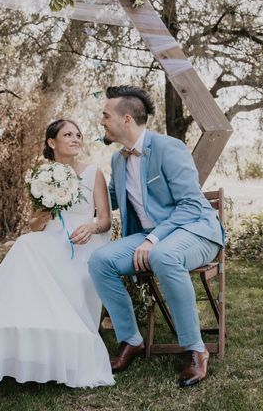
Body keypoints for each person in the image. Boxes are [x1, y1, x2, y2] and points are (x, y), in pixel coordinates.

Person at [0, 119, 115, 390]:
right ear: (51, 142)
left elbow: (105, 220)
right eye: (68, 134)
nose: (75, 138)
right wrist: (41, 218)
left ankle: (69, 345)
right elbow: (34, 225)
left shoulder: (93, 173)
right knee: (25, 244)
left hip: (83, 240)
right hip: (50, 237)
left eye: (78, 134)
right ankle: (13, 338)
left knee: (33, 249)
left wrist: (91, 228)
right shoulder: (41, 176)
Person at [88, 85, 224, 387]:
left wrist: (153, 239)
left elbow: (190, 204)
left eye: (105, 115)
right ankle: (131, 340)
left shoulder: (169, 148)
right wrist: (63, 199)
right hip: (152, 237)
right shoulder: (117, 160)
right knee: (100, 261)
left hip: (195, 231)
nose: (102, 121)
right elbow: (107, 199)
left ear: (126, 119)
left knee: (164, 255)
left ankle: (195, 350)